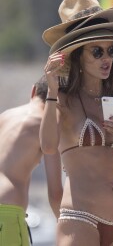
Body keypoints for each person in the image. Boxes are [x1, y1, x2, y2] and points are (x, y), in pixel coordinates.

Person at [39, 0, 113, 246]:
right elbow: (46, 147)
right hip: (79, 217)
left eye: (110, 50)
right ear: (77, 56)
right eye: (97, 52)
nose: (107, 58)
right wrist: (52, 92)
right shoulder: (63, 100)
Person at [0, 76, 63, 246]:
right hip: (7, 212)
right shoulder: (46, 127)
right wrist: (67, 227)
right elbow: (55, 194)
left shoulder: (5, 116)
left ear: (33, 90)